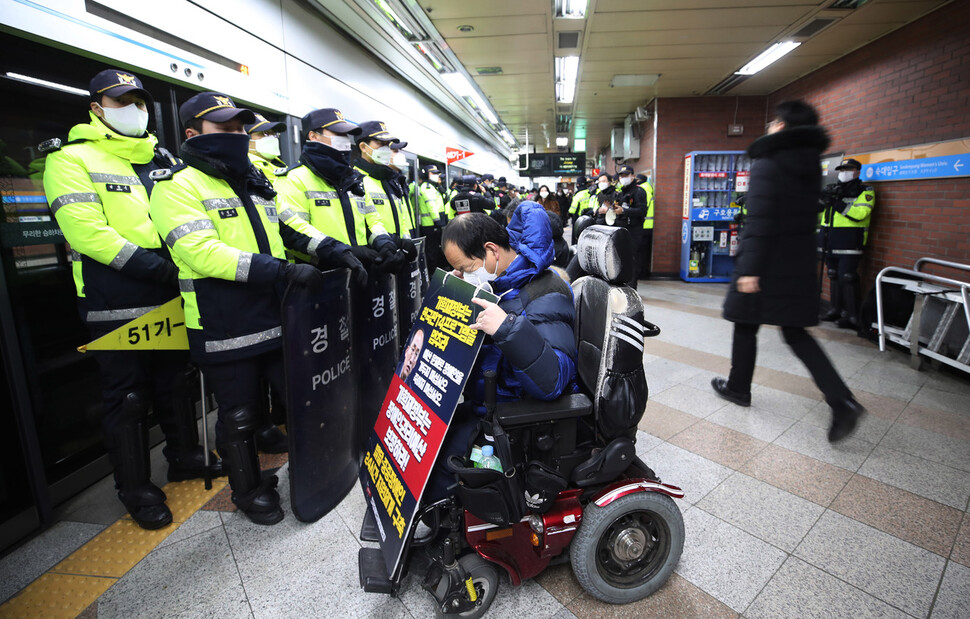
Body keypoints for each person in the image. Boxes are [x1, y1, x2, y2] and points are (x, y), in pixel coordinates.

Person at [149, 91, 365, 524]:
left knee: (299, 398)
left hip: (276, 316)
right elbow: (200, 252)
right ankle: (247, 491)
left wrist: (332, 249)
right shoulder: (176, 187)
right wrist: (278, 271)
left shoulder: (252, 181)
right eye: (223, 128)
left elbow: (289, 228)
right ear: (192, 134)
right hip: (222, 320)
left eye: (239, 128)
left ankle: (316, 469)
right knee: (240, 414)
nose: (237, 135)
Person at [44, 69, 223, 530]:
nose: (134, 109)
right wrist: (155, 266)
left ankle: (184, 456)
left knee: (175, 384)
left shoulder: (162, 158)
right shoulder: (71, 161)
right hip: (116, 301)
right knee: (128, 398)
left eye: (139, 101)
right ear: (96, 108)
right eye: (121, 101)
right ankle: (136, 489)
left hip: (172, 294)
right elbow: (87, 233)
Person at [711, 100, 865, 443]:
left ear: (781, 126)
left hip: (765, 262)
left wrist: (749, 269)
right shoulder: (810, 165)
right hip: (797, 262)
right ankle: (842, 401)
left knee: (745, 323)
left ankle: (738, 387)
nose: (769, 127)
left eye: (774, 122)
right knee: (795, 333)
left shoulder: (769, 162)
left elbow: (761, 217)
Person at [426, 203, 578, 499]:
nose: (462, 275)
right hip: (482, 399)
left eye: (466, 268)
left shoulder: (545, 292)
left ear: (492, 251)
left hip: (514, 415)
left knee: (442, 465)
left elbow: (554, 380)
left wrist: (507, 328)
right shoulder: (496, 285)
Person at [273, 108, 399, 273]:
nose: (345, 141)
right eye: (338, 134)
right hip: (321, 276)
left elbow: (373, 221)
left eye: (346, 135)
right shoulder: (293, 179)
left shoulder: (353, 180)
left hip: (360, 272)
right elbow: (294, 234)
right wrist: (340, 253)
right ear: (313, 136)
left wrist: (384, 243)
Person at [818, 158, 875, 329]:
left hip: (850, 241)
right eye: (842, 169)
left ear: (857, 171)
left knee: (847, 277)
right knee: (833, 274)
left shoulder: (865, 191)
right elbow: (822, 215)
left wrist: (837, 203)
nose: (844, 173)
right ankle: (836, 309)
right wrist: (823, 199)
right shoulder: (835, 189)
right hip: (830, 239)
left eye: (848, 169)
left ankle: (853, 315)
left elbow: (860, 213)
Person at [354, 120, 416, 242]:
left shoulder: (390, 180)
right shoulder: (355, 180)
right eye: (380, 144)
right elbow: (359, 226)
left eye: (387, 145)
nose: (386, 149)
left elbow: (401, 219)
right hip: (376, 255)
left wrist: (406, 241)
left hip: (399, 253)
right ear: (363, 147)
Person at [411, 164, 448, 272]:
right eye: (433, 173)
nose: (436, 175)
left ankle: (435, 270)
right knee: (431, 250)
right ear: (427, 175)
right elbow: (431, 205)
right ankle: (432, 272)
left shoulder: (432, 187)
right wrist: (437, 221)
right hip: (430, 224)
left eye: (437, 173)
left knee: (434, 249)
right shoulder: (426, 187)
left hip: (433, 224)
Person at [245, 113, 287, 183]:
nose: (272, 137)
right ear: (247, 139)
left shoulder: (282, 166)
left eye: (274, 134)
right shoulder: (246, 169)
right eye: (265, 133)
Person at [636, 173, 655, 279]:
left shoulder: (643, 190)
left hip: (644, 225)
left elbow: (643, 208)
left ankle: (641, 273)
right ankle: (643, 272)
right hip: (648, 225)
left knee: (640, 252)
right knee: (644, 251)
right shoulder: (648, 188)